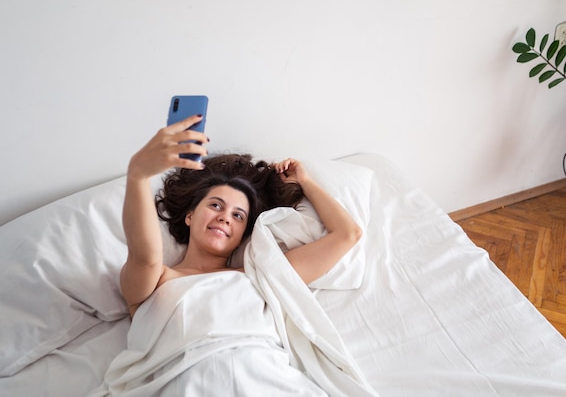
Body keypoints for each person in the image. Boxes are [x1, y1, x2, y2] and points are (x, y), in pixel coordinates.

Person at [90, 114, 363, 396]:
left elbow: (347, 234)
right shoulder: (157, 279)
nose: (224, 218)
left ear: (244, 234)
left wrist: (304, 180)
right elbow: (144, 255)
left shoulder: (264, 275)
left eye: (238, 215)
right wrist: (138, 174)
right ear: (189, 216)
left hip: (270, 382)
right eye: (216, 205)